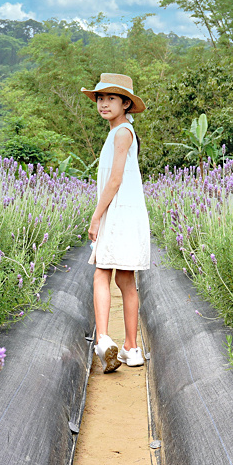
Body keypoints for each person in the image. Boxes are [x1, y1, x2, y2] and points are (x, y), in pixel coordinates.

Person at [81, 73, 151, 373]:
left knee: (101, 273)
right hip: (127, 211)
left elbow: (116, 178)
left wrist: (96, 216)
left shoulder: (121, 133)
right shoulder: (120, 132)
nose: (103, 104)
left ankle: (104, 339)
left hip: (118, 211)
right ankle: (131, 348)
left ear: (126, 103)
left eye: (111, 98)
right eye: (100, 98)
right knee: (124, 279)